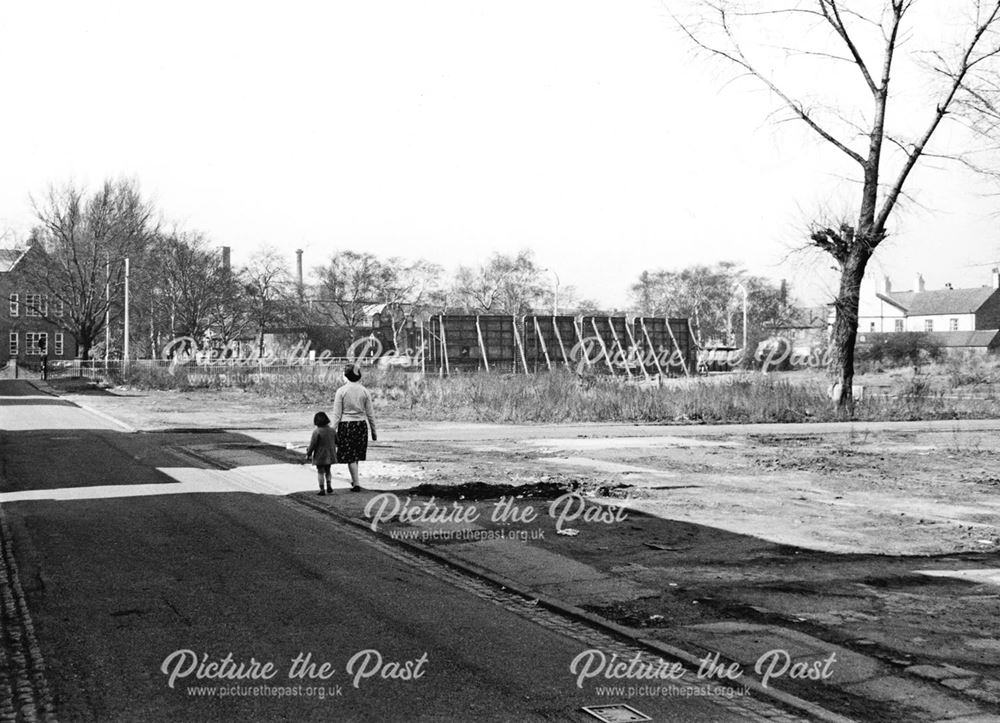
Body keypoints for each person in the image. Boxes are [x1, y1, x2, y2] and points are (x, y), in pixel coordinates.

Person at [332, 363, 377, 492]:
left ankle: (356, 483)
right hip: (361, 426)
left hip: (346, 426)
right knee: (355, 455)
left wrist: (332, 431)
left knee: (350, 456)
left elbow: (336, 415)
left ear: (345, 376)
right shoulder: (364, 391)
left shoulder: (341, 391)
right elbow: (370, 413)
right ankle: (354, 479)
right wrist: (373, 431)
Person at [305, 411, 337, 495]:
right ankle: (329, 485)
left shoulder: (317, 431)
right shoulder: (332, 430)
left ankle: (322, 489)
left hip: (320, 456)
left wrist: (308, 453)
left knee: (320, 472)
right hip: (330, 455)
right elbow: (337, 441)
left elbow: (313, 445)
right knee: (328, 470)